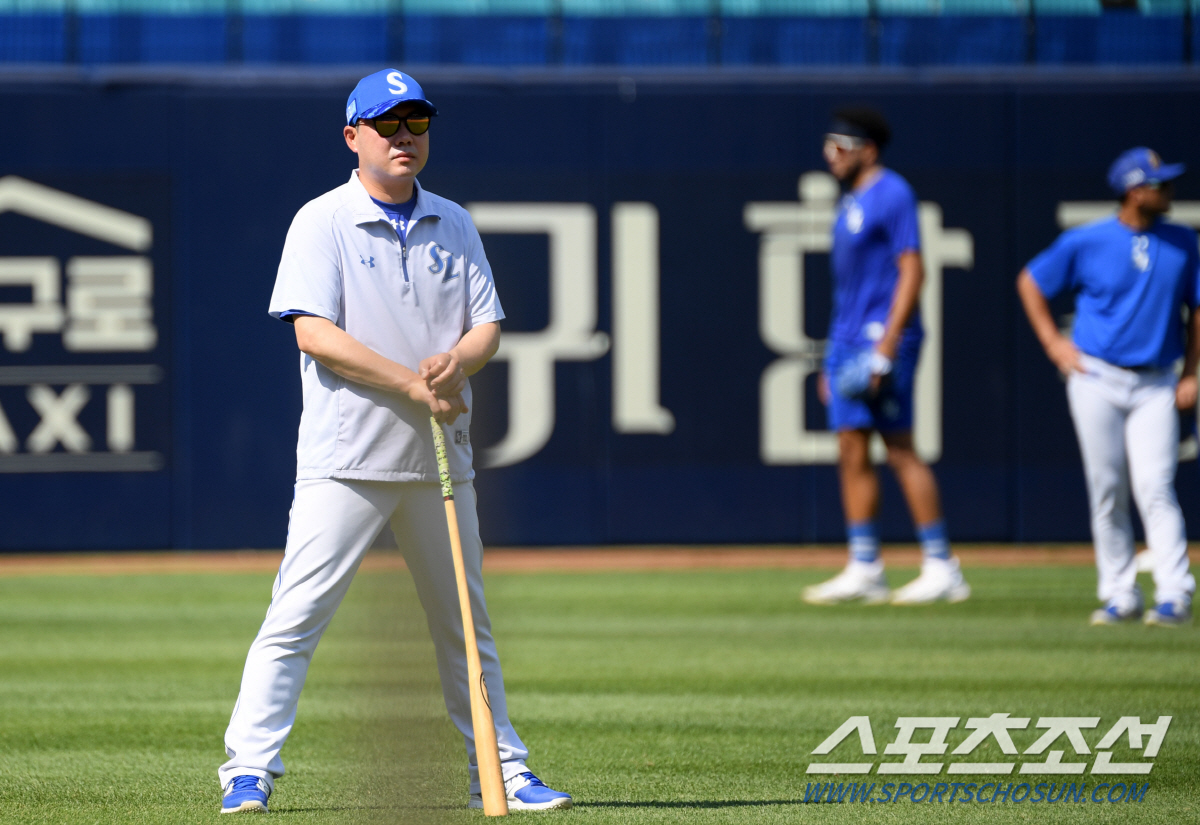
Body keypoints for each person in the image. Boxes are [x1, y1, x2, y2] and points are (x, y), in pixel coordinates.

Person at [217, 69, 572, 813]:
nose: (405, 136)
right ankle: (248, 769)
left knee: (465, 628)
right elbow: (315, 334)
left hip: (440, 457)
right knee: (295, 618)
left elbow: (487, 327)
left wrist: (458, 360)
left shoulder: (456, 221)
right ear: (353, 137)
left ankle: (500, 769)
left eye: (416, 123)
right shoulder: (322, 221)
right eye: (387, 124)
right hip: (346, 458)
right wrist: (411, 383)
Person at [1017, 147, 1198, 627]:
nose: (1170, 191)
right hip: (1096, 376)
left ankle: (1175, 592)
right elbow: (1031, 281)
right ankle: (1120, 593)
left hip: (1156, 380)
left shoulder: (1183, 242)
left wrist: (1193, 371)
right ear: (1135, 191)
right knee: (1108, 487)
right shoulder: (1087, 240)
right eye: (1160, 184)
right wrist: (1053, 342)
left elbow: (1197, 311)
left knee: (1155, 485)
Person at [802, 107, 970, 607]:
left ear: (867, 151)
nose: (830, 156)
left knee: (899, 446)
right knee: (850, 447)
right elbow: (846, 289)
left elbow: (913, 270)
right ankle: (864, 565)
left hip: (883, 339)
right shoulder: (849, 201)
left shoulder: (892, 192)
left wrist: (888, 345)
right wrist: (832, 358)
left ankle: (942, 566)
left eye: (841, 147)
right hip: (848, 341)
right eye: (828, 146)